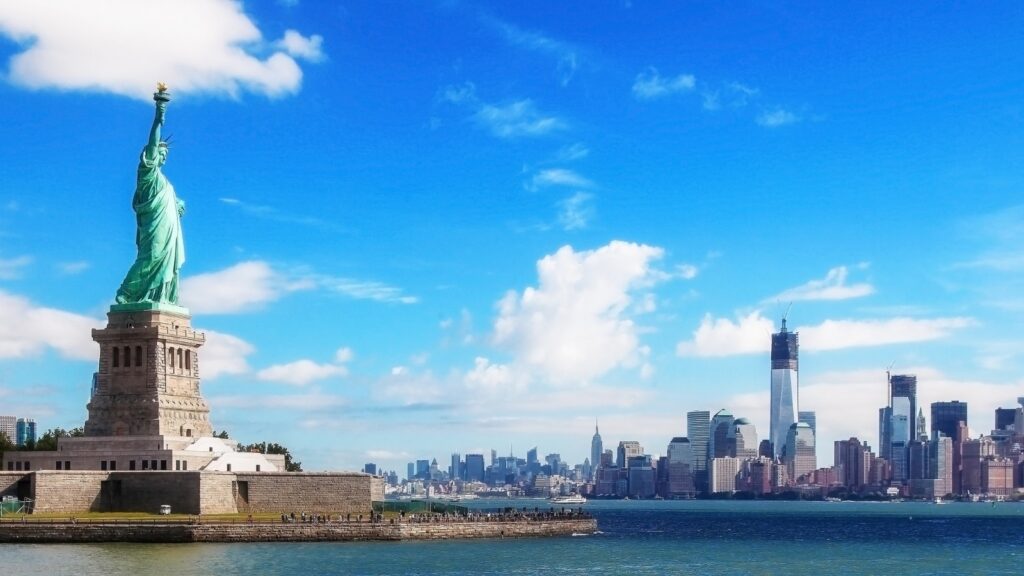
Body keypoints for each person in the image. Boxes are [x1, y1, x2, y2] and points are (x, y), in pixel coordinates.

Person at [115, 87, 186, 305]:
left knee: (166, 260)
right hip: (155, 227)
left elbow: (169, 202)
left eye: (165, 155)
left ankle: (160, 296)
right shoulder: (148, 174)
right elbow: (153, 145)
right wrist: (159, 116)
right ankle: (126, 293)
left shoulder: (165, 183)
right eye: (160, 154)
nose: (162, 157)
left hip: (168, 228)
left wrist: (177, 205)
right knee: (151, 257)